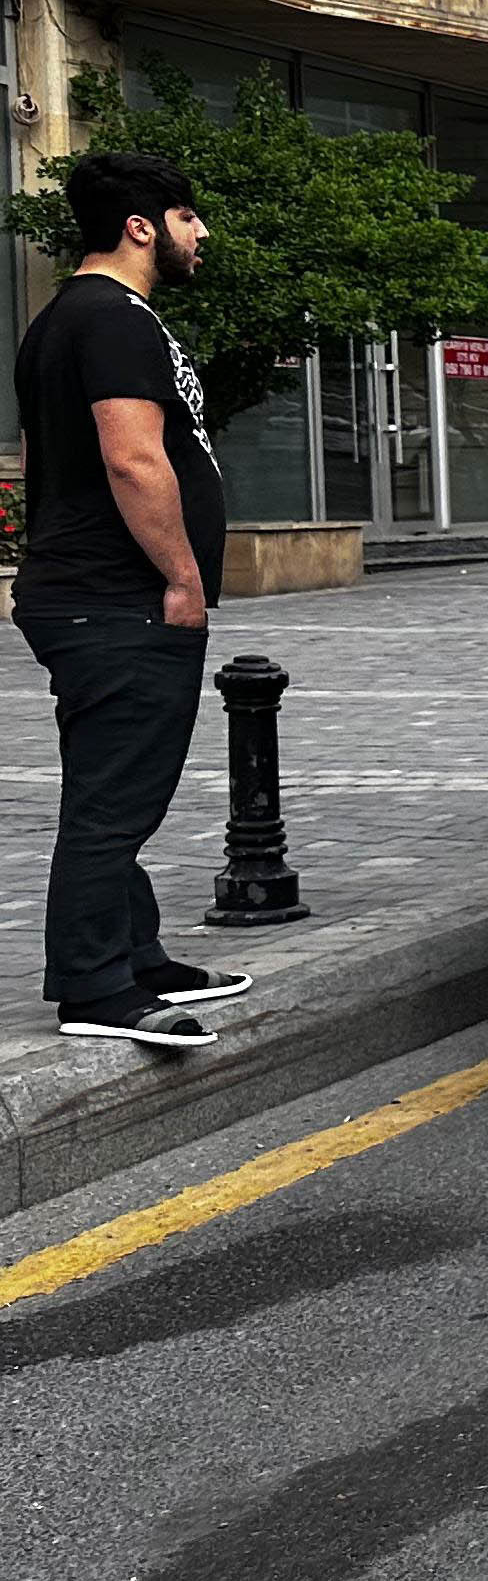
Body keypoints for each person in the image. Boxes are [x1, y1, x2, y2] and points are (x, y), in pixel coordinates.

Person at [8, 152, 250, 1048]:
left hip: (86, 592)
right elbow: (132, 457)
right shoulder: (113, 321)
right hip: (117, 599)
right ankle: (96, 989)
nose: (202, 235)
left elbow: (41, 459)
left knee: (113, 787)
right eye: (190, 218)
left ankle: (135, 952)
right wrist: (182, 579)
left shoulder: (65, 320)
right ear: (143, 226)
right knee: (114, 802)